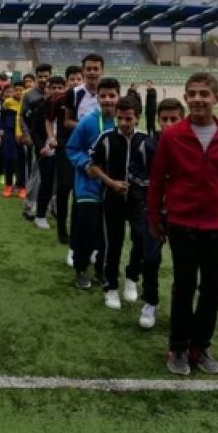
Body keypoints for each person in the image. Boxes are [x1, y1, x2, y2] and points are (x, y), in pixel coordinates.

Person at [148, 72, 218, 376]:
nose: (197, 99)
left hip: (216, 227)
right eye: (192, 93)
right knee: (184, 287)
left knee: (213, 290)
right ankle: (177, 348)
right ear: (186, 97)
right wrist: (154, 218)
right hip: (181, 224)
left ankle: (200, 347)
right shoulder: (172, 135)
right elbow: (157, 181)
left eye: (204, 94)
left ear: (217, 98)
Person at [88, 97, 149, 310]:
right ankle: (111, 287)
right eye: (121, 118)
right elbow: (92, 166)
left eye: (129, 118)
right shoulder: (106, 138)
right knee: (113, 244)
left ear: (137, 118)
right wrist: (111, 183)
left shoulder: (146, 140)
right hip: (112, 199)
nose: (124, 122)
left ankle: (132, 277)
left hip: (138, 201)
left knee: (141, 239)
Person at [133, 97, 186, 329]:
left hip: (182, 214)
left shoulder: (190, 147)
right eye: (164, 119)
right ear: (157, 120)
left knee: (184, 263)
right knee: (151, 258)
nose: (169, 124)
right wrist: (156, 188)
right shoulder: (147, 145)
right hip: (152, 212)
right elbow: (134, 173)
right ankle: (150, 302)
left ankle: (181, 308)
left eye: (174, 119)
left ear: (182, 120)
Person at [66, 77, 121, 290]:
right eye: (103, 95)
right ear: (97, 97)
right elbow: (72, 149)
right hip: (87, 187)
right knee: (85, 231)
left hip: (111, 189)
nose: (107, 100)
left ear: (119, 96)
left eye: (112, 95)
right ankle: (80, 269)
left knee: (107, 233)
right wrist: (85, 164)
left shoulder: (124, 121)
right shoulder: (88, 121)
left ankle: (101, 270)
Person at [47, 65, 82, 255]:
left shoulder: (87, 99)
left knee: (79, 192)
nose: (75, 82)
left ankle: (77, 232)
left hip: (83, 150)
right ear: (67, 81)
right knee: (64, 188)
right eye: (72, 79)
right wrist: (52, 137)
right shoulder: (60, 99)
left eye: (78, 79)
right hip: (64, 147)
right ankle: (62, 229)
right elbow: (49, 119)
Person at [31, 75, 66, 231]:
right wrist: (41, 148)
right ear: (48, 89)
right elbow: (34, 131)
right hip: (47, 151)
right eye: (54, 87)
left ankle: (57, 210)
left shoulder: (68, 107)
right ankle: (40, 215)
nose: (57, 91)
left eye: (60, 87)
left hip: (63, 151)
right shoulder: (41, 107)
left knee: (62, 185)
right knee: (46, 183)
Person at [20, 64, 52, 219]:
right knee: (36, 173)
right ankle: (29, 206)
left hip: (53, 141)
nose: (43, 79)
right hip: (37, 140)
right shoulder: (29, 95)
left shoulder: (55, 94)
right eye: (40, 76)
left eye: (46, 76)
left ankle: (52, 205)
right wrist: (26, 135)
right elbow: (23, 117)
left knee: (54, 175)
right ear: (36, 77)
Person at [0, 82, 26, 198]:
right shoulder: (8, 102)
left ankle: (22, 187)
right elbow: (2, 118)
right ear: (13, 91)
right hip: (9, 133)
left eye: (21, 90)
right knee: (9, 159)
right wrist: (1, 130)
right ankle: (8, 185)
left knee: (22, 160)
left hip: (23, 134)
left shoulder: (26, 102)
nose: (18, 92)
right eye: (16, 90)